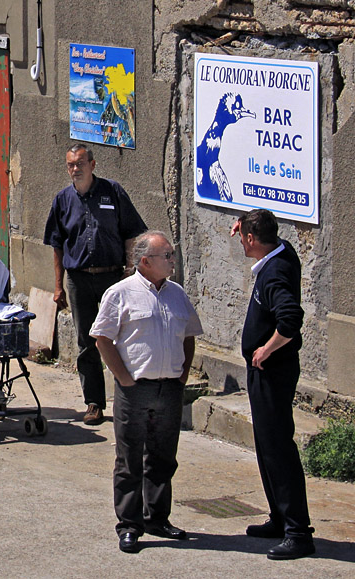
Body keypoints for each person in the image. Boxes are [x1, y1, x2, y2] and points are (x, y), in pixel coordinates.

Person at [90, 231, 203, 554]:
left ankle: (157, 518)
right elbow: (102, 338)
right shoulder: (120, 293)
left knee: (163, 457)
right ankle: (129, 524)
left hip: (169, 388)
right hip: (135, 388)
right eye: (166, 255)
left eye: (171, 254)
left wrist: (182, 376)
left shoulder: (177, 294)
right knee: (129, 460)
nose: (172, 260)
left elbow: (189, 335)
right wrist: (123, 378)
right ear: (144, 262)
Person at [231, 209, 315, 560]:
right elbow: (266, 234)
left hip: (273, 371)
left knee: (278, 447)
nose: (240, 241)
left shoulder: (275, 272)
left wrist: (266, 348)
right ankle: (279, 518)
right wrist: (244, 223)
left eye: (243, 236)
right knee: (266, 445)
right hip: (266, 372)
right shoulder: (281, 251)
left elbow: (291, 318)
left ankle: (298, 531)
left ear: (252, 239)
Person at [43, 143, 147, 425]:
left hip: (113, 277)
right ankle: (94, 403)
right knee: (86, 343)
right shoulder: (62, 200)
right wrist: (58, 286)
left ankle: (131, 398)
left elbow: (131, 233)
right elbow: (56, 245)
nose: (75, 169)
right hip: (78, 279)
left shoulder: (112, 192)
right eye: (70, 165)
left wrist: (130, 271)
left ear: (92, 164)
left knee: (123, 337)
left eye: (80, 163)